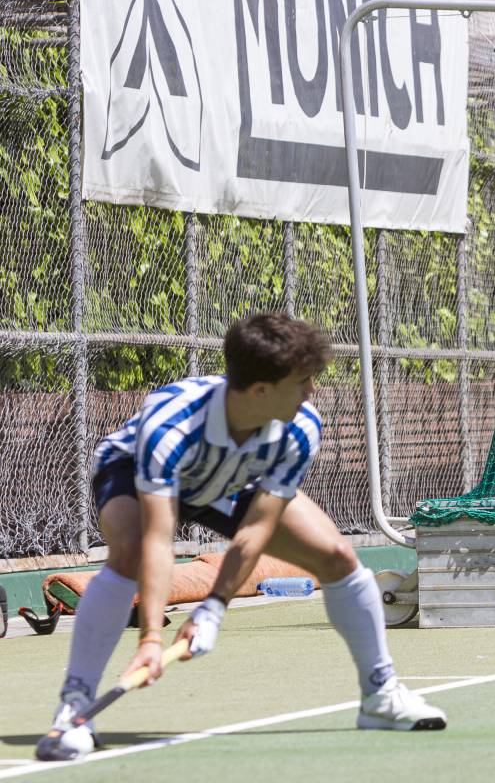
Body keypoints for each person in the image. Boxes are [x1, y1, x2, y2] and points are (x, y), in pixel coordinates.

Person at [38, 314, 445, 762]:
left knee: (336, 556)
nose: (313, 391)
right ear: (261, 390)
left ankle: (380, 695)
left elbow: (256, 526)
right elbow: (159, 540)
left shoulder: (300, 426)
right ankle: (74, 709)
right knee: (130, 553)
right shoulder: (171, 423)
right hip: (133, 472)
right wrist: (151, 638)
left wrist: (213, 607)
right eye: (303, 381)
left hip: (230, 480)